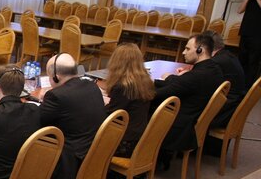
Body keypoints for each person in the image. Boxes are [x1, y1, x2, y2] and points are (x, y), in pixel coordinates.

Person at [152, 33, 224, 166]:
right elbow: (181, 84)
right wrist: (158, 81)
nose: (183, 52)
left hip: (178, 127)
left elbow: (157, 94)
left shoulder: (196, 76)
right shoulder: (215, 70)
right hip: (193, 119)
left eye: (187, 49)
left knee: (141, 104)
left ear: (200, 50)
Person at [40, 53, 106, 179]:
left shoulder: (56, 96)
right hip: (95, 156)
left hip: (71, 164)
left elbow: (37, 121)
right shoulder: (92, 86)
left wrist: (44, 98)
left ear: (56, 78)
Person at [104, 43, 155, 158]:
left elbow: (110, 116)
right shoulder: (145, 81)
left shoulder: (122, 87)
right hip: (138, 138)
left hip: (123, 143)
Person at [206, 31, 245, 127]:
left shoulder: (215, 62)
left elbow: (200, 83)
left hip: (222, 113)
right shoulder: (228, 56)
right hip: (232, 108)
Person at [237, 0, 261, 89]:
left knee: (253, 62)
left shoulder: (258, 0)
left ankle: (248, 87)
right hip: (245, 33)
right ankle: (239, 83)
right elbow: (239, 10)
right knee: (242, 59)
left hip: (257, 36)